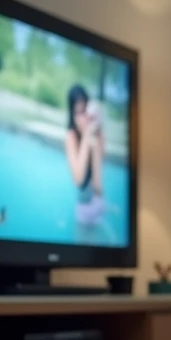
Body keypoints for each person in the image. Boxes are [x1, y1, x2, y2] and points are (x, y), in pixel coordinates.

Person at [63, 83, 106, 230]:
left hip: (98, 203)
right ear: (72, 114)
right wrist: (87, 137)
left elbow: (97, 181)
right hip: (84, 209)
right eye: (78, 112)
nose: (83, 118)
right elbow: (79, 179)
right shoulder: (71, 137)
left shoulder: (95, 132)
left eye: (85, 111)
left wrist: (98, 127)